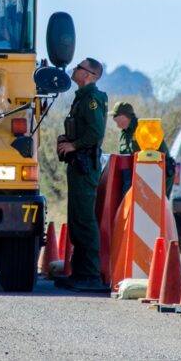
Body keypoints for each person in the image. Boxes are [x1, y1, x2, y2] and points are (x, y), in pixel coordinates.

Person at [54, 58, 108, 292]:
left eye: (79, 67)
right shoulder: (82, 98)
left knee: (84, 220)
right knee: (76, 218)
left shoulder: (92, 100)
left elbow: (96, 133)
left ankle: (90, 275)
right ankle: (79, 273)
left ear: (90, 75)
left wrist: (74, 146)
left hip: (85, 164)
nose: (74, 69)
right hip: (78, 163)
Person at [111, 101, 175, 197]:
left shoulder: (144, 128)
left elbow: (161, 153)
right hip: (133, 177)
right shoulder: (124, 133)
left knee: (155, 208)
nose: (113, 119)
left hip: (155, 175)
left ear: (123, 116)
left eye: (114, 116)